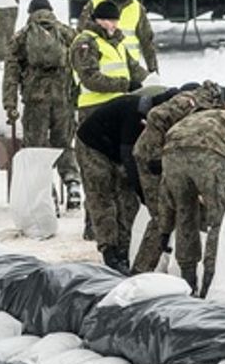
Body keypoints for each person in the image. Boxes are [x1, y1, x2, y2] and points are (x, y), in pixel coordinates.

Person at [160, 81, 225, 296]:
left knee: (185, 216)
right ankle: (209, 283)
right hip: (208, 155)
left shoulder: (196, 114)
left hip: (171, 155)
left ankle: (187, 282)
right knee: (218, 221)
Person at [76, 85, 179, 274]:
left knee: (128, 202)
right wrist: (143, 192)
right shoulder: (136, 115)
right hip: (94, 145)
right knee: (103, 197)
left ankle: (124, 250)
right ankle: (109, 250)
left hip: (117, 147)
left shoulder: (161, 118)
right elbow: (130, 158)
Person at [71, 0, 149, 246]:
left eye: (115, 20)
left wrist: (151, 83)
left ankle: (122, 235)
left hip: (120, 113)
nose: (112, 24)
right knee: (98, 177)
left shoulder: (116, 43)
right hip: (94, 112)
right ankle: (94, 227)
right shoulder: (86, 43)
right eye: (107, 20)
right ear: (97, 20)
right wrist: (124, 86)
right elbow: (90, 78)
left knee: (121, 172)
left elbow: (134, 70)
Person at [131, 81, 222, 272]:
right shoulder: (191, 103)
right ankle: (140, 272)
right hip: (151, 158)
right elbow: (156, 116)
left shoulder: (218, 111)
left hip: (175, 158)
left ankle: (194, 271)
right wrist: (155, 156)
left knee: (196, 211)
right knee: (162, 216)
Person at [2, 0, 81, 208]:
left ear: (30, 12)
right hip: (63, 99)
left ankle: (47, 192)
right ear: (50, 11)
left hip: (35, 101)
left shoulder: (21, 37)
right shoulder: (67, 33)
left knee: (36, 148)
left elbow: (11, 73)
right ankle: (72, 183)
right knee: (63, 144)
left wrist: (10, 104)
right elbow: (81, 65)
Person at [77, 0, 159, 73]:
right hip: (103, 69)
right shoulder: (94, 3)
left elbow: (147, 41)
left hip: (131, 70)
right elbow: (81, 32)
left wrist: (153, 70)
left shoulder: (136, 7)